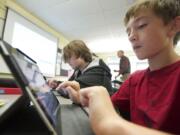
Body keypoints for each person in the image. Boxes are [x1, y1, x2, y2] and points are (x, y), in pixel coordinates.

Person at [55, 0, 180, 134]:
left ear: (173, 26)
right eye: (128, 32)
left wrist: (110, 124)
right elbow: (107, 103)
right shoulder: (135, 80)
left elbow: (108, 119)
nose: (131, 36)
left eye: (141, 25)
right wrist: (79, 96)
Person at [48, 40, 113, 95]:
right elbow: (70, 83)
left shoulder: (98, 70)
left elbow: (72, 90)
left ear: (80, 54)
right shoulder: (78, 69)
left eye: (69, 57)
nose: (67, 62)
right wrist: (55, 83)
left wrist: (58, 86)